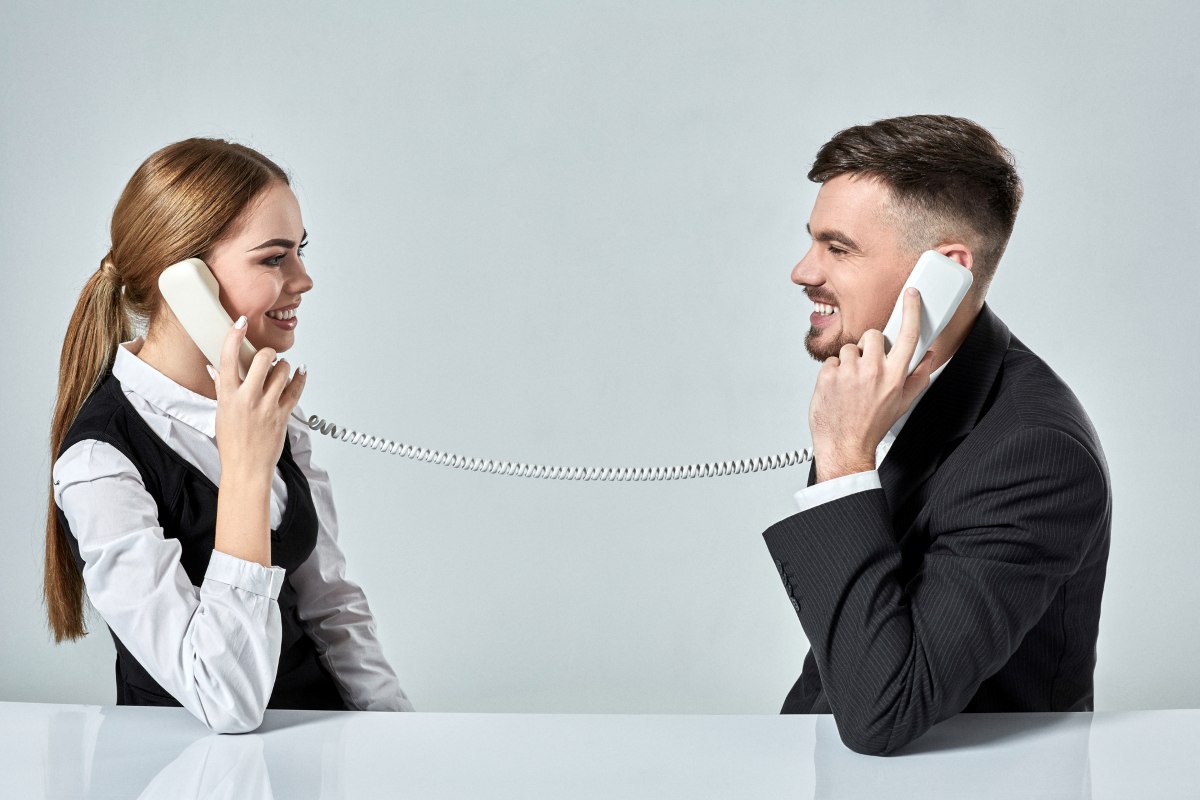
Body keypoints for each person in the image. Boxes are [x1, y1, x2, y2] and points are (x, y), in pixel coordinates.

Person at [762, 115, 1111, 755]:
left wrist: (843, 460)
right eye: (812, 241)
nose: (802, 271)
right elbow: (845, 636)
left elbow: (886, 711)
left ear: (943, 271)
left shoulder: (1037, 454)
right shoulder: (879, 392)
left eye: (838, 248)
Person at [45, 138, 412, 733]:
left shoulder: (265, 406)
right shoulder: (99, 462)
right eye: (274, 258)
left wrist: (398, 734)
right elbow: (226, 700)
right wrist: (245, 470)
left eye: (300, 251)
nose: (304, 279)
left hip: (323, 747)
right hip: (191, 766)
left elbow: (331, 605)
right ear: (184, 282)